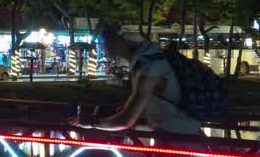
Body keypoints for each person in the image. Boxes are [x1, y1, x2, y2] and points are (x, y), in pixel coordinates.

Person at [70, 26, 201, 135]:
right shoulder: (147, 60)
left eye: (102, 43)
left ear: (118, 40)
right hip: (174, 132)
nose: (103, 49)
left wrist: (93, 123)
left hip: (177, 136)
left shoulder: (149, 67)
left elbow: (126, 121)